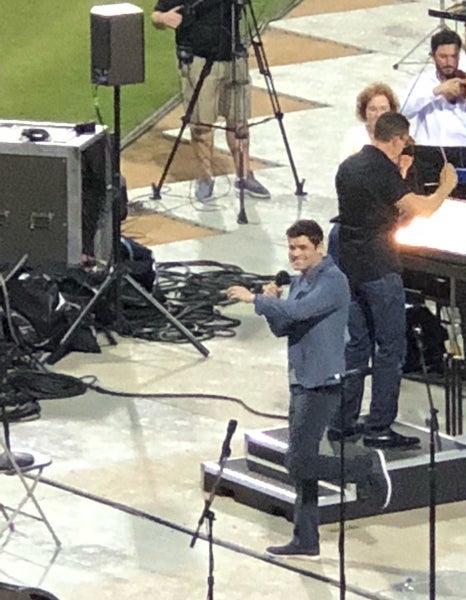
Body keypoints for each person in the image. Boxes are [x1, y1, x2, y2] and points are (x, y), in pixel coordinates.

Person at [227, 219, 392, 558]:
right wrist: (272, 304)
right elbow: (286, 325)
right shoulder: (301, 282)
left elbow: (300, 311)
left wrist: (257, 299)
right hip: (300, 379)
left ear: (320, 248)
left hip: (322, 382)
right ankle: (306, 537)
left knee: (299, 462)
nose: (295, 254)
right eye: (291, 248)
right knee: (304, 465)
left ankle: (365, 468)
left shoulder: (333, 281)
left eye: (302, 248)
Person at [331, 112, 457, 447]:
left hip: (348, 266)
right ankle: (379, 426)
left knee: (356, 345)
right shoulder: (382, 171)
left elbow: (375, 208)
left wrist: (398, 176)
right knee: (390, 347)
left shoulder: (349, 166)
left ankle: (342, 420)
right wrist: (446, 187)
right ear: (398, 139)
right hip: (379, 268)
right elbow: (424, 209)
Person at [151, 0, 270, 202]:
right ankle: (205, 177)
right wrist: (164, 18)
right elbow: (156, 15)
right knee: (201, 124)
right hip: (198, 59)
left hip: (233, 56)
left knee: (239, 122)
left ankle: (244, 174)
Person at [401, 29, 466, 146]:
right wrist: (436, 91)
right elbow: (404, 111)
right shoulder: (422, 81)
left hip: (461, 149)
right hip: (428, 150)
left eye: (453, 56)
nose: (449, 62)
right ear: (432, 56)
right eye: (443, 57)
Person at [339, 82, 400, 160]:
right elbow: (345, 168)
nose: (378, 114)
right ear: (364, 112)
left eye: (383, 109)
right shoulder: (354, 136)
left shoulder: (399, 138)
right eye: (373, 109)